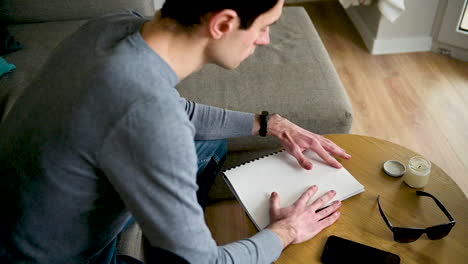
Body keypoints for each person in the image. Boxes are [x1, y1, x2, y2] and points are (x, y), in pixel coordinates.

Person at [0, 0, 352, 263]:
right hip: (49, 258)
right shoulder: (150, 117)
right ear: (224, 23)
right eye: (264, 26)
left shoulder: (110, 28)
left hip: (21, 214)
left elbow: (174, 111)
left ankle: (176, 231)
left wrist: (268, 123)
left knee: (211, 147)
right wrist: (286, 231)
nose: (265, 39)